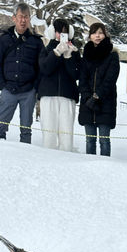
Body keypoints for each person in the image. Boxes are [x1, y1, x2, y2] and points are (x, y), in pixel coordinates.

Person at [0, 3, 43, 144]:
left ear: (29, 19)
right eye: (20, 17)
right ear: (14, 18)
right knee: (0, 126)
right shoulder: (4, 39)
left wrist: (35, 87)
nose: (23, 20)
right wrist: (1, 84)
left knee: (26, 128)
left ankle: (25, 157)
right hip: (8, 89)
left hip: (28, 91)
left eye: (26, 17)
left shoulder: (36, 41)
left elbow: (41, 67)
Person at [78, 22, 119, 157]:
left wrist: (97, 97)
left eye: (100, 32)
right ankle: (90, 168)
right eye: (94, 33)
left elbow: (110, 79)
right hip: (87, 104)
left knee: (104, 140)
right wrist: (87, 97)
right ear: (90, 36)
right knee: (90, 140)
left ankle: (105, 168)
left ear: (105, 35)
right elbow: (82, 79)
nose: (97, 35)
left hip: (105, 104)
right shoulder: (86, 56)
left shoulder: (112, 55)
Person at [39, 17, 80, 151]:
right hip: (48, 94)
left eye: (64, 32)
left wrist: (69, 57)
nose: (61, 35)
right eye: (58, 32)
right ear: (53, 32)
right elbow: (45, 69)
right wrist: (56, 53)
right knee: (49, 133)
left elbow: (76, 74)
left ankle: (66, 159)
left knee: (66, 134)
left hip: (67, 96)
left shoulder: (74, 51)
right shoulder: (47, 49)